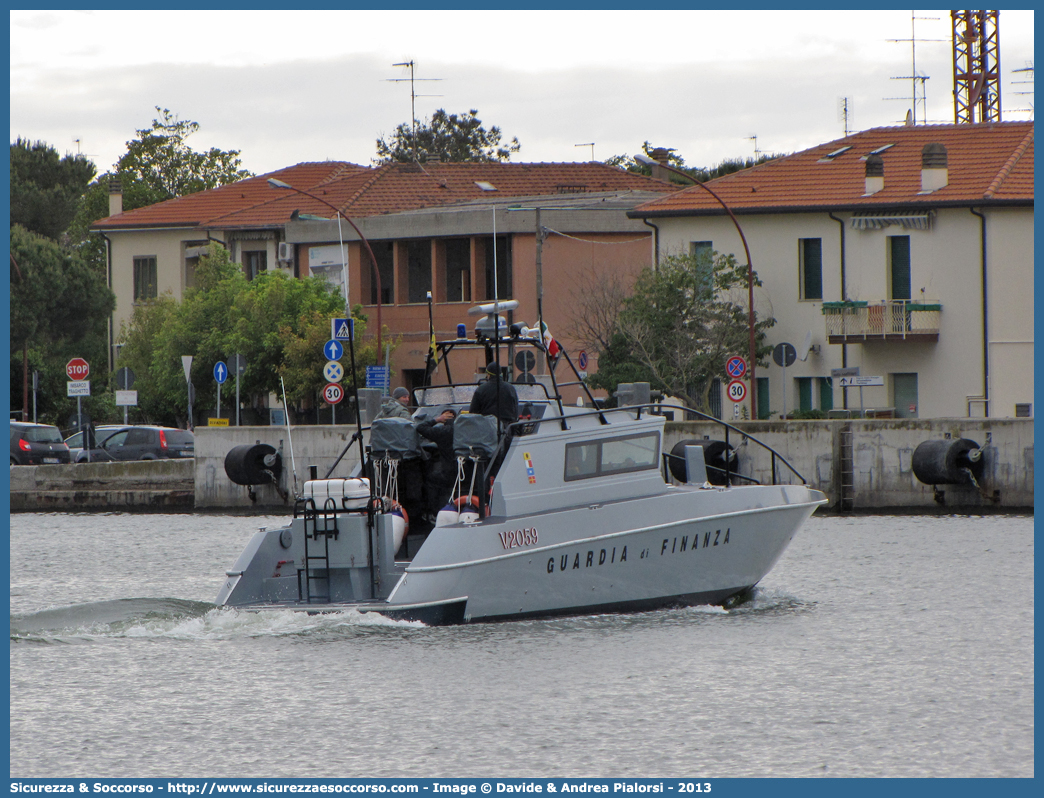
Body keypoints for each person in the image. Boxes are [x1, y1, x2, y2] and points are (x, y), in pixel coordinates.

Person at [416, 407, 458, 515]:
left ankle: (433, 512)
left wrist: (437, 420)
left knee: (430, 481)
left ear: (444, 419)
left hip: (447, 471)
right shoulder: (464, 430)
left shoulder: (442, 432)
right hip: (464, 471)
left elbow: (420, 427)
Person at [468, 362, 519, 431]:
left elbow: (473, 413)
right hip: (507, 429)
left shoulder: (481, 389)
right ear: (501, 374)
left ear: (488, 374)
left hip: (487, 429)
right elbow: (515, 410)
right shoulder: (510, 388)